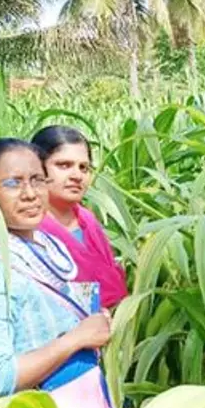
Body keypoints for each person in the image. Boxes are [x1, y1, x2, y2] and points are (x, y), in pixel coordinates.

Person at [0, 138, 118, 408]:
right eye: (12, 183)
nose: (30, 193)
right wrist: (77, 338)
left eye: (37, 179)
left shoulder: (46, 246)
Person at [32, 125, 129, 310]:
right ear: (36, 168)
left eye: (84, 168)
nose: (77, 176)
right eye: (64, 165)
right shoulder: (31, 231)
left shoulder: (88, 220)